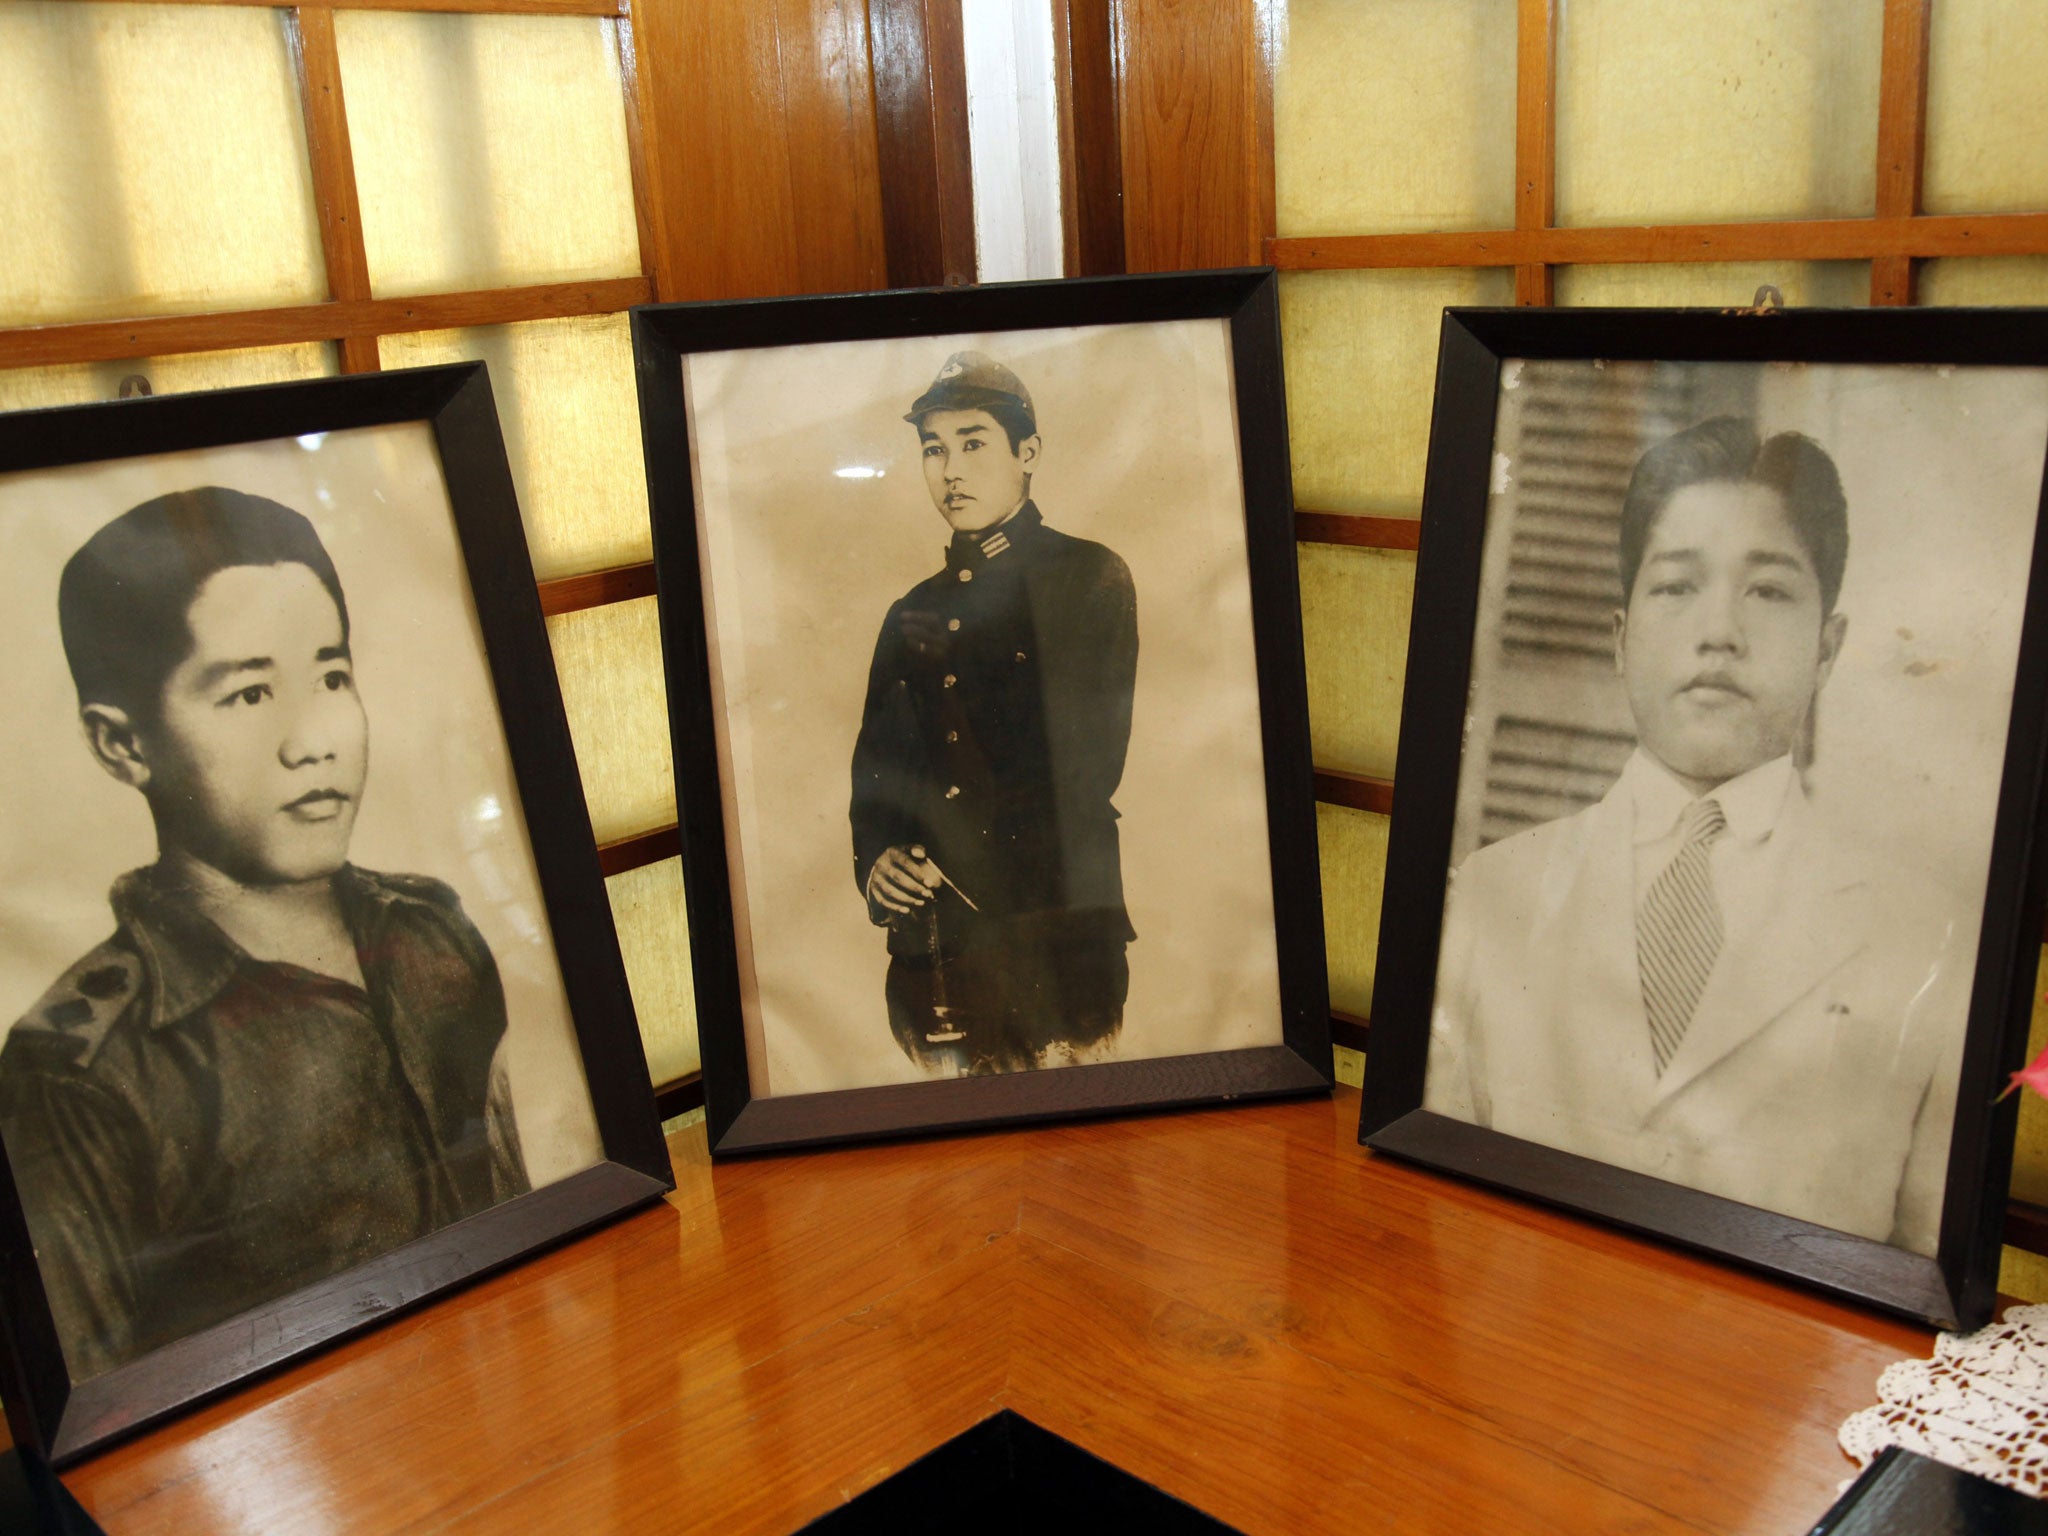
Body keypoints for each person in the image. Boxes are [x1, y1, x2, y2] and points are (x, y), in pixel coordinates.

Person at [0, 487, 528, 1380]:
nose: (313, 738)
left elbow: (521, 1213)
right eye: (248, 693)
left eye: (331, 677)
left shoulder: (432, 933)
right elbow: (104, 1409)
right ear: (123, 745)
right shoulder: (86, 1072)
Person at [1425, 417, 1964, 1255]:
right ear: (1621, 635)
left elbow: (1927, 1261)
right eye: (1677, 586)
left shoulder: (1924, 940)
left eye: (1769, 590)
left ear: (1828, 647)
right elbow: (1434, 1220)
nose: (1721, 632)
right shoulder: (1491, 892)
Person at [850, 352, 1139, 1075]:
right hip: (933, 953)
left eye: (973, 443)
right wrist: (877, 862)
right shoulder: (909, 612)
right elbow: (876, 776)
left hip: (1055, 938)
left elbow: (1081, 765)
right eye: (933, 448)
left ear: (1028, 452)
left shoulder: (1089, 576)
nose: (950, 470)